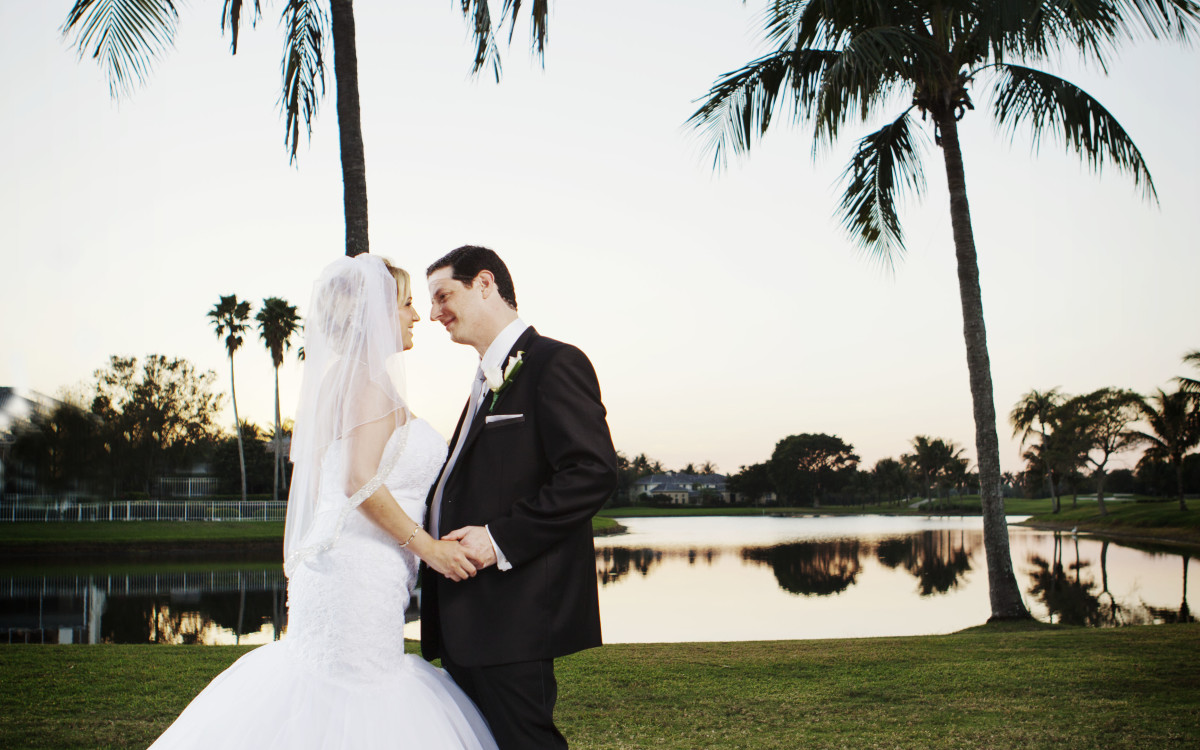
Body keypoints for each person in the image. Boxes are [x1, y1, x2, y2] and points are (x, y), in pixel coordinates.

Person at [148, 254, 498, 750]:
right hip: (357, 573)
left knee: (332, 692)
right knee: (358, 697)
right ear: (375, 317)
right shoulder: (366, 385)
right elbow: (359, 482)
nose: (416, 316)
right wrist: (432, 550)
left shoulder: (345, 380)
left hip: (350, 568)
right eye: (405, 304)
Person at [421, 245, 618, 749]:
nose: (433, 312)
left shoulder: (555, 362)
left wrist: (497, 539)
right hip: (469, 609)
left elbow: (591, 473)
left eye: (444, 295)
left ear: (484, 283)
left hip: (513, 610)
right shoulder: (485, 377)